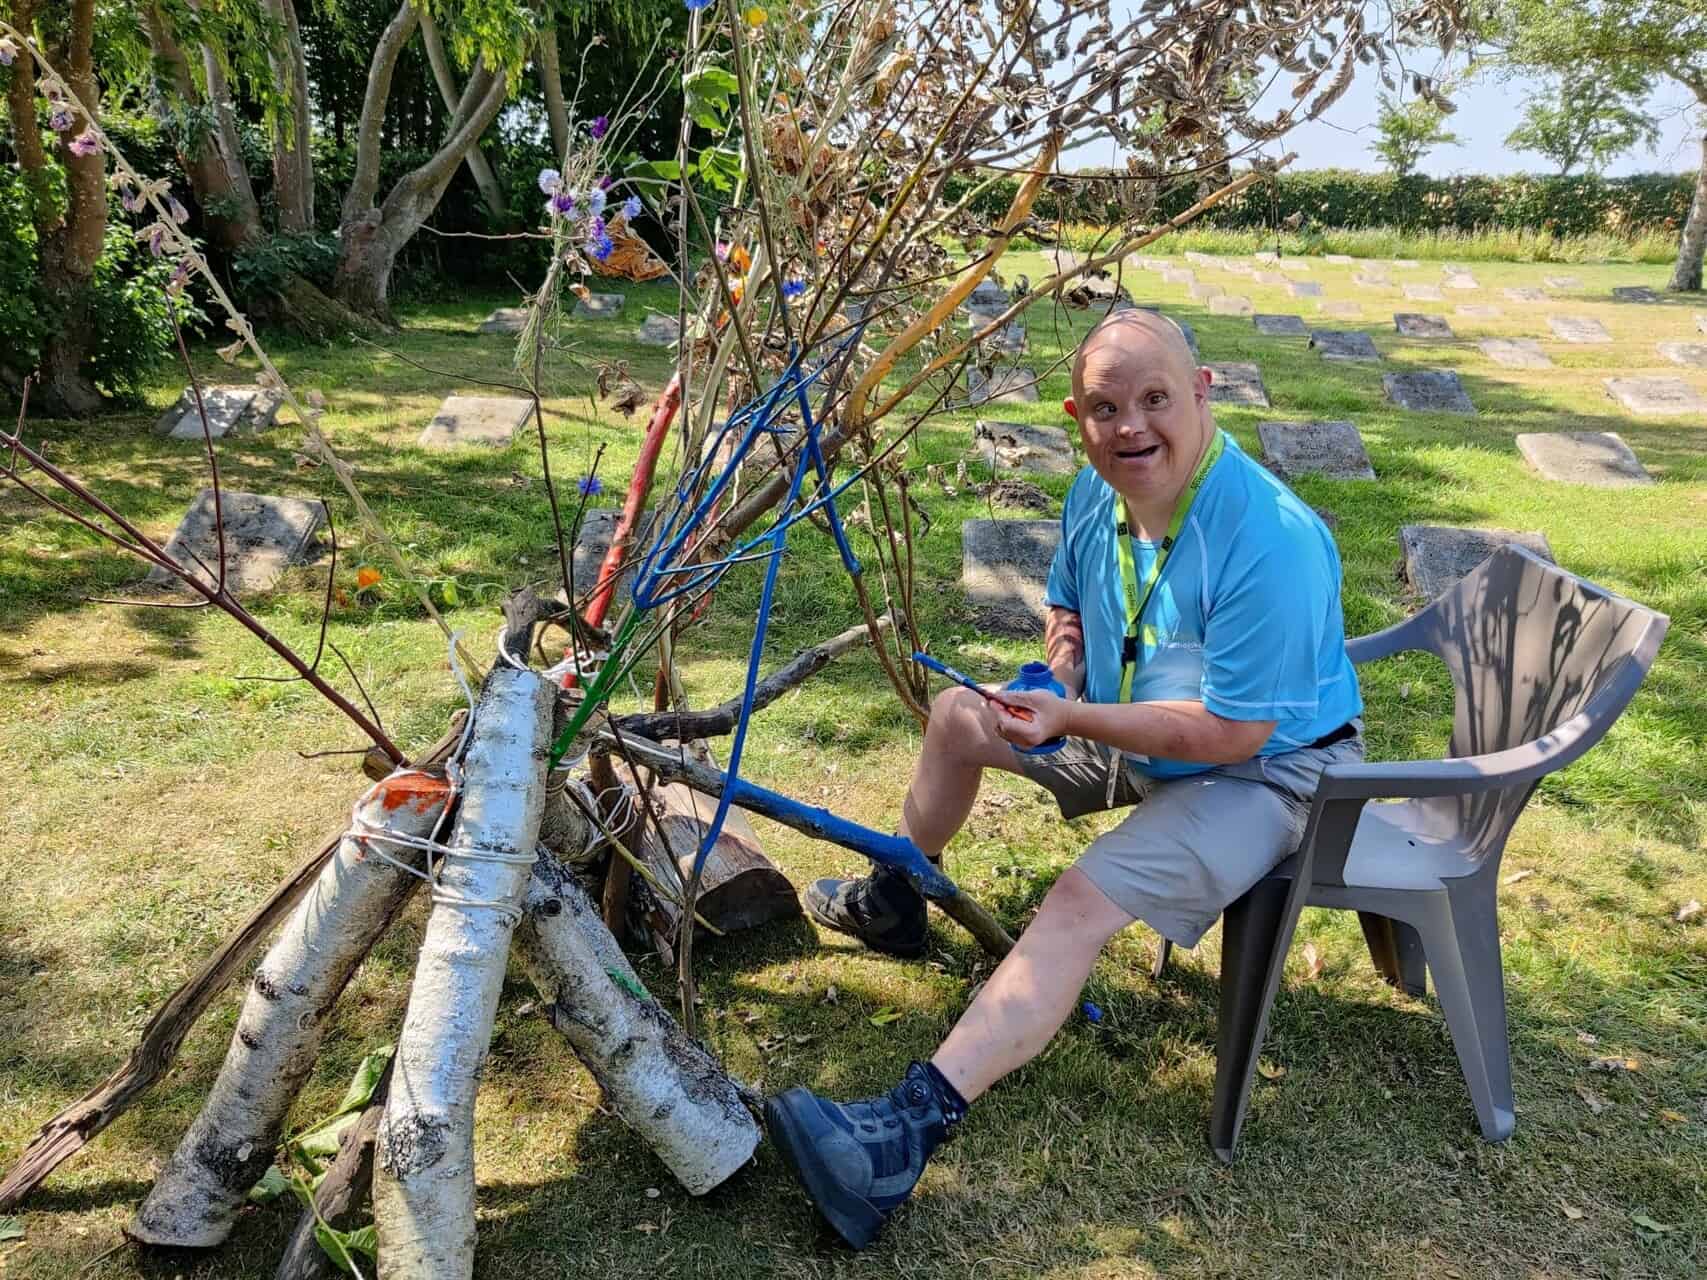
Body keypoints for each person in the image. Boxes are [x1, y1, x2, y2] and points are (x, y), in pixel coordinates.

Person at [766, 308, 1366, 1249]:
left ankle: (898, 1143)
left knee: (1078, 902)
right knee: (961, 714)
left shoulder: (1272, 539)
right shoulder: (1100, 487)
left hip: (1271, 771)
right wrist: (1059, 675)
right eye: (1104, 407)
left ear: (1203, 393)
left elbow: (1231, 731)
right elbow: (1070, 605)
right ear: (1076, 416)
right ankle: (894, 898)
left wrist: (1071, 719)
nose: (1131, 427)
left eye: (1155, 399)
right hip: (1134, 724)